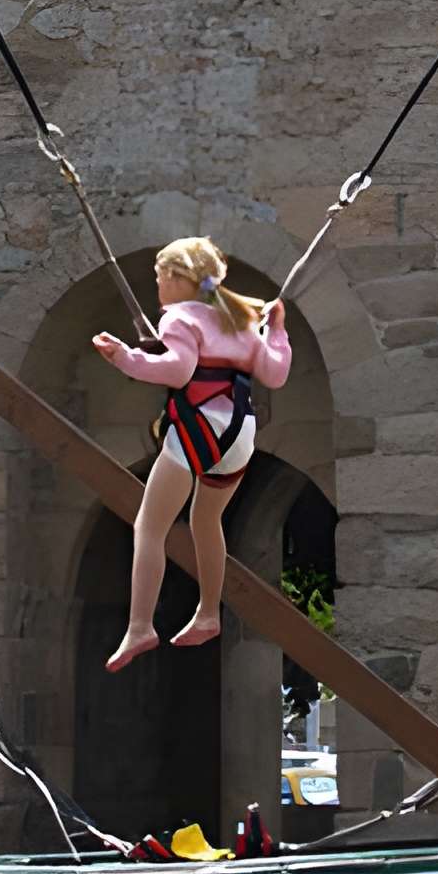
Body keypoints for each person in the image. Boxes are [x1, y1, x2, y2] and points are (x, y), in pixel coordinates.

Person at [92, 238, 290, 671]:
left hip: (198, 427)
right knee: (206, 520)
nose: (158, 286)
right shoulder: (242, 322)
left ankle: (141, 626)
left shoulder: (179, 317)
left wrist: (124, 358)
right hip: (240, 434)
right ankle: (208, 613)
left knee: (149, 526)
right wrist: (277, 330)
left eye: (161, 277)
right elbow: (274, 373)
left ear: (179, 279)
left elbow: (178, 370)